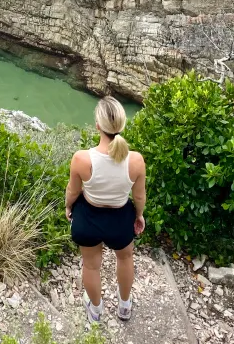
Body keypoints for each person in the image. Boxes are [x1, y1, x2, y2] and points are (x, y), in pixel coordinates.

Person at [65, 96, 146, 324]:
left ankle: (96, 311)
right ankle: (124, 307)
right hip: (120, 219)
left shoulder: (81, 159)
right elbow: (139, 196)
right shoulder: (136, 160)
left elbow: (72, 191)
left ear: (98, 126)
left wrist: (68, 206)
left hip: (88, 217)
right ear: (122, 125)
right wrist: (138, 215)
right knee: (125, 258)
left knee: (91, 265)